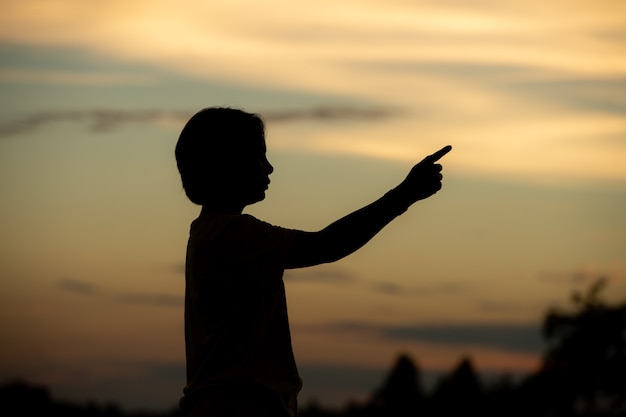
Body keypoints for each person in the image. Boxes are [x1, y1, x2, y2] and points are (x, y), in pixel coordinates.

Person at [175, 106, 451, 417]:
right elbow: (327, 244)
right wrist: (404, 195)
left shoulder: (210, 234)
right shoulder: (232, 235)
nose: (269, 168)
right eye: (258, 156)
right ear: (228, 164)